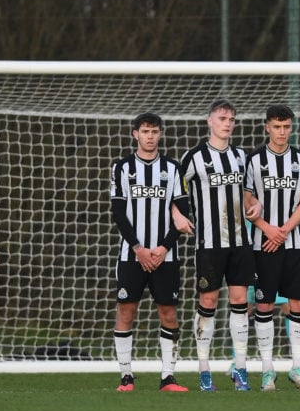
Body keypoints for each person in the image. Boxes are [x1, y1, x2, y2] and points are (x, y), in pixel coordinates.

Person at [176, 99, 261, 391]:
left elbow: (249, 194)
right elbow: (172, 191)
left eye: (232, 119)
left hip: (241, 242)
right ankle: (203, 370)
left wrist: (256, 205)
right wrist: (178, 215)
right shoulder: (194, 157)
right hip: (209, 243)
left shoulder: (241, 156)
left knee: (240, 301)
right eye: (222, 118)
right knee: (208, 302)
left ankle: (240, 369)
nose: (228, 123)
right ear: (209, 121)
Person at [110, 112, 191, 393]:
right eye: (145, 131)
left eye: (154, 131)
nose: (150, 136)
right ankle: (126, 377)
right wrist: (138, 248)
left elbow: (184, 212)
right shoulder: (122, 168)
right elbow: (119, 213)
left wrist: (162, 247)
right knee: (126, 311)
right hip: (131, 255)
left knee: (168, 313)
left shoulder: (173, 168)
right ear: (135, 134)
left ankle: (168, 377)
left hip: (164, 256)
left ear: (160, 134)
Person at [244, 105, 300, 391]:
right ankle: (267, 370)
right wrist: (266, 228)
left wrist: (283, 230)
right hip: (263, 245)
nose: (282, 132)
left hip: (293, 243)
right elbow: (246, 199)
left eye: (286, 127)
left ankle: (297, 367)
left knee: (298, 303)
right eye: (277, 126)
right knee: (263, 304)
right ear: (267, 127)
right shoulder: (253, 161)